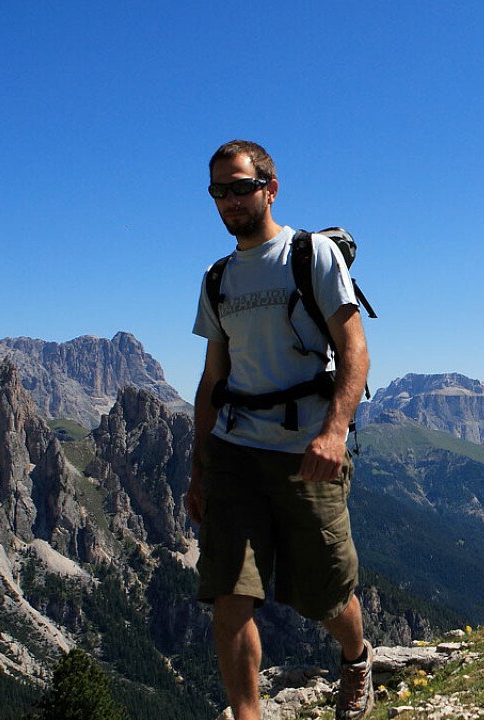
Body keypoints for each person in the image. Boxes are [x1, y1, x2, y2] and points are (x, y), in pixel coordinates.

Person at [186, 140, 373, 720]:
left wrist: (334, 432)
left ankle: (357, 656)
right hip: (235, 451)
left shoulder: (311, 254)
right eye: (219, 191)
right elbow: (212, 378)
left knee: (325, 595)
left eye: (240, 187)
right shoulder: (218, 278)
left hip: (307, 450)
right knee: (230, 598)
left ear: (270, 187)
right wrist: (198, 468)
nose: (230, 201)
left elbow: (354, 349)